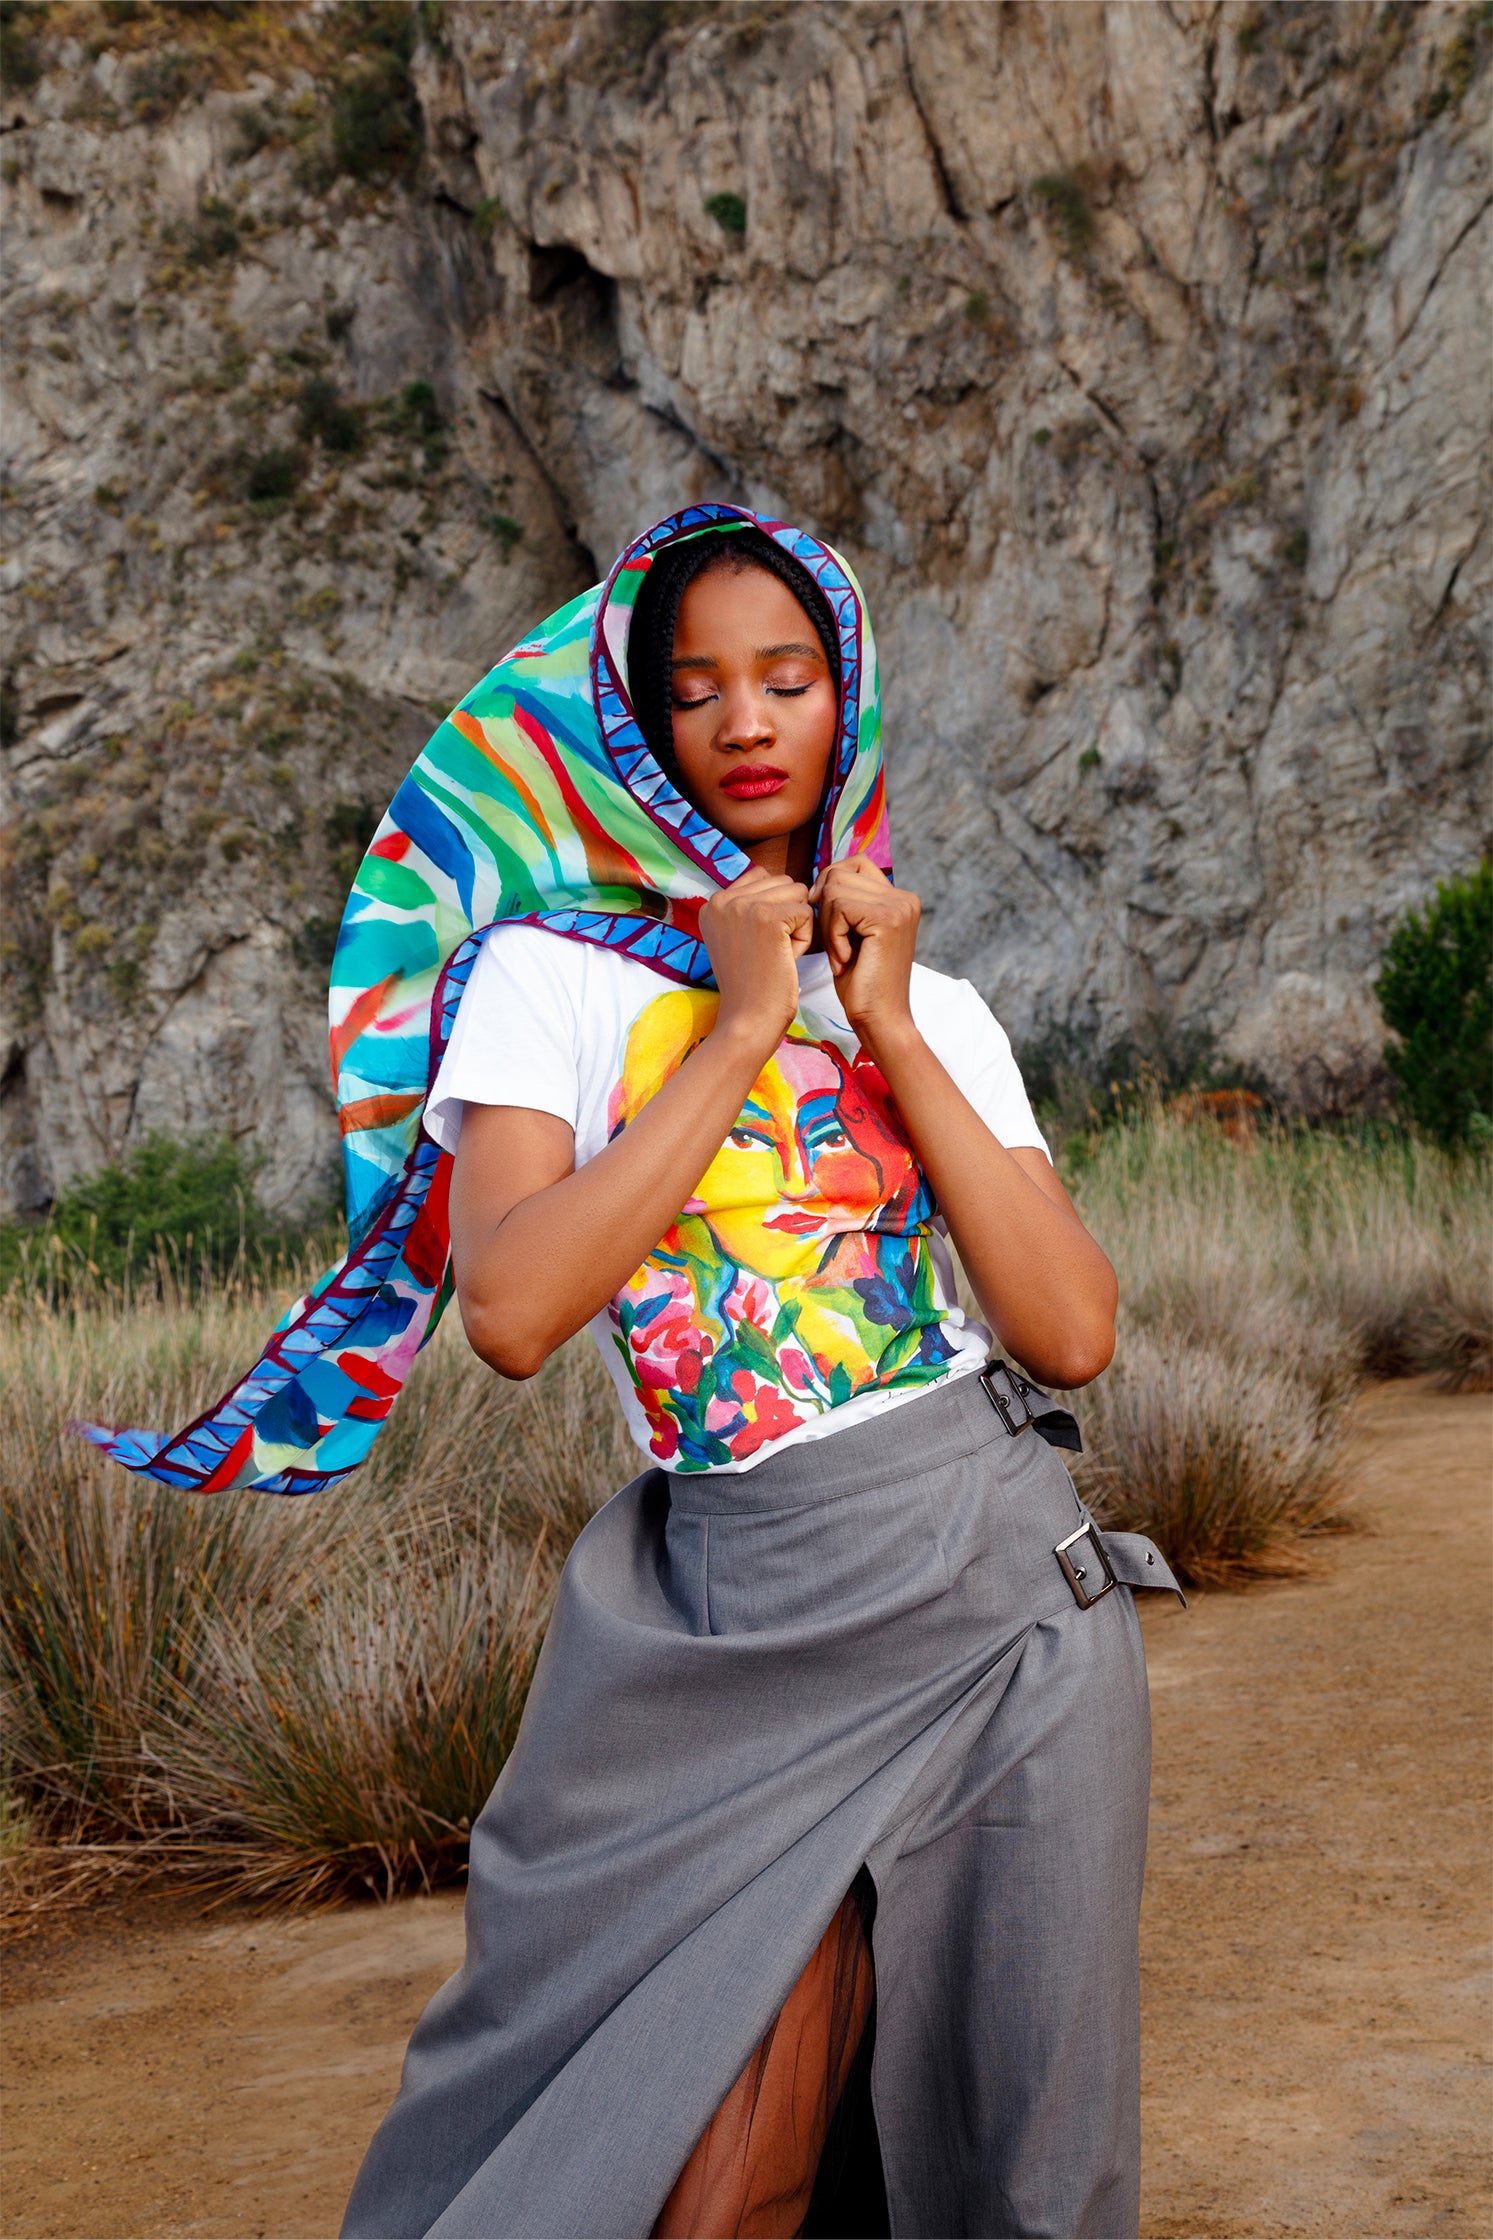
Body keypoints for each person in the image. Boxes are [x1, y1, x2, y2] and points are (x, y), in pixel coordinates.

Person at [78, 506, 1182, 2236]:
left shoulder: (938, 1008)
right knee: (716, 2162)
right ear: (634, 726)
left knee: (1021, 2170)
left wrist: (882, 1023)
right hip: (727, 1622)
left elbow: (1069, 1333)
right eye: (694, 689)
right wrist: (740, 1023)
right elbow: (513, 1311)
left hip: (994, 1595)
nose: (744, 721)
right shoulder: (549, 984)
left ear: (844, 702)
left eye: (786, 679)